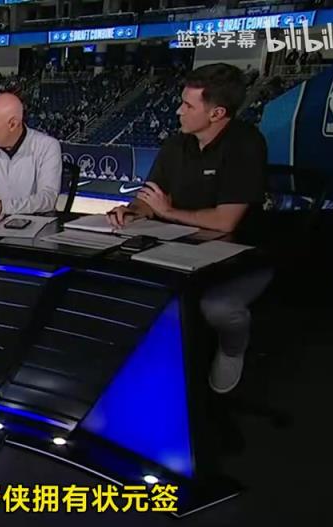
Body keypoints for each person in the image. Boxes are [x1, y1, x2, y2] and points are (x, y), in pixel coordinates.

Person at [106, 63, 272, 394]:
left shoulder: (246, 144)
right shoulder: (175, 145)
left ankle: (231, 349)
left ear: (217, 113)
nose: (178, 111)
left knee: (218, 308)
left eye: (188, 105)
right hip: (176, 252)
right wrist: (133, 212)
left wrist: (168, 211)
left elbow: (225, 222)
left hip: (238, 258)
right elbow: (150, 200)